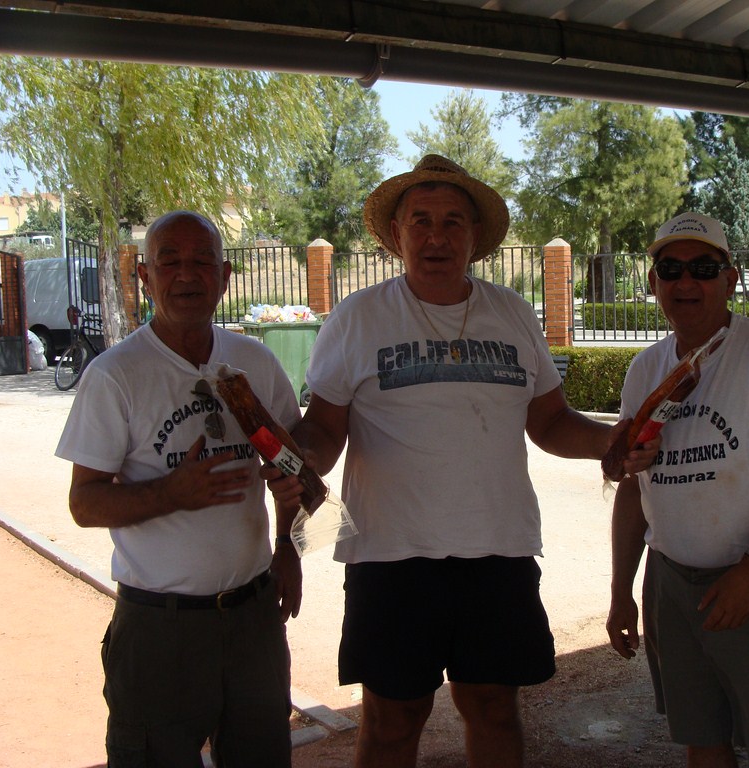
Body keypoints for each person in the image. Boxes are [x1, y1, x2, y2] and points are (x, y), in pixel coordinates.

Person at [272, 154, 653, 768]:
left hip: (497, 549)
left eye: (453, 221)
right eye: (420, 221)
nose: (436, 236)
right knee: (392, 718)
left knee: (494, 707)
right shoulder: (358, 317)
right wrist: (300, 460)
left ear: (475, 236)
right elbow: (322, 428)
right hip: (390, 555)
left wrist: (610, 442)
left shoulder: (513, 313)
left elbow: (550, 421)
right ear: (396, 234)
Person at [55, 210, 303, 767]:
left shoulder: (255, 363)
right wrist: (171, 493)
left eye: (201, 261)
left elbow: (290, 467)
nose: (186, 274)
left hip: (253, 621)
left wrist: (287, 544)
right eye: (169, 261)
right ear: (145, 277)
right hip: (159, 629)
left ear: (225, 276)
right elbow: (84, 502)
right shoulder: (116, 374)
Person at [605, 212, 749, 768]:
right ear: (653, 281)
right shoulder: (645, 369)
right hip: (671, 585)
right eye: (670, 269)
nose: (686, 282)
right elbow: (633, 490)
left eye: (703, 268)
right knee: (701, 738)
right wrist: (621, 590)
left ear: (729, 280)